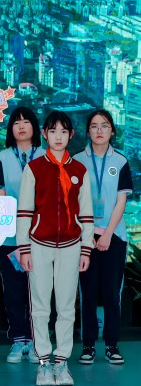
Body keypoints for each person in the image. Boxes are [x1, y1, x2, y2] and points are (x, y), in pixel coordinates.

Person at [17, 110, 94, 386]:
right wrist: (24, 249)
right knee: (40, 306)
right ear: (45, 134)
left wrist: (86, 249)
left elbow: (86, 212)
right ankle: (43, 363)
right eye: (53, 131)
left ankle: (61, 362)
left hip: (71, 246)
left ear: (71, 135)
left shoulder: (79, 170)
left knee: (66, 306)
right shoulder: (34, 168)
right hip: (39, 245)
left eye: (63, 131)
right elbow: (24, 211)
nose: (58, 136)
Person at [74, 109, 132, 366]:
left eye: (105, 125)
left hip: (114, 236)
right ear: (88, 131)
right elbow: (72, 201)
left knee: (111, 293)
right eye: (94, 126)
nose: (99, 130)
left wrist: (107, 233)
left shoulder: (120, 161)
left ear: (112, 131)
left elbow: (121, 201)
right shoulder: (76, 160)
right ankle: (88, 345)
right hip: (84, 236)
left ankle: (111, 345)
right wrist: (88, 232)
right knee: (87, 292)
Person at [0, 107, 43, 364]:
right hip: (10, 236)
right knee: (13, 291)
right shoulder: (2, 158)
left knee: (38, 290)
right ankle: (18, 339)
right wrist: (15, 232)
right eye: (16, 122)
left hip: (40, 236)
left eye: (26, 121)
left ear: (34, 126)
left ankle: (35, 341)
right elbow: (0, 198)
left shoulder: (46, 156)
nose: (21, 126)